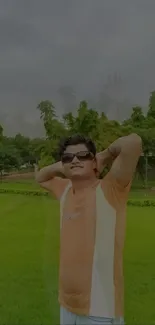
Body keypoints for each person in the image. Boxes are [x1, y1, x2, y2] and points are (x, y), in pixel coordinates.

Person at [35, 133, 142, 325]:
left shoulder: (110, 189)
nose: (75, 160)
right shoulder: (65, 190)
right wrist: (62, 166)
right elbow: (40, 177)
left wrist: (104, 155)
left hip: (100, 310)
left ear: (94, 162)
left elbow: (133, 142)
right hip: (67, 305)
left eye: (82, 155)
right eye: (68, 157)